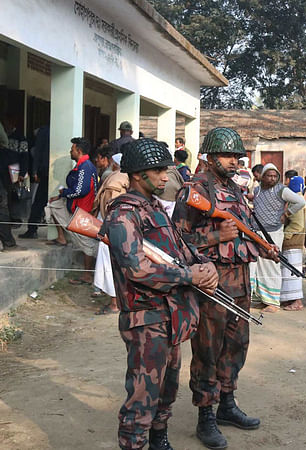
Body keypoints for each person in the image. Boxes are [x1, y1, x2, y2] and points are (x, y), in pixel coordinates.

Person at [102, 138, 217, 450]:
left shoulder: (155, 208)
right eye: (158, 171)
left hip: (171, 316)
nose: (166, 176)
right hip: (146, 318)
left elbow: (181, 248)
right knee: (142, 397)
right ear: (139, 174)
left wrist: (203, 265)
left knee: (166, 390)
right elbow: (136, 270)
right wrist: (187, 275)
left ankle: (159, 440)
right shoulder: (123, 215)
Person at [172, 128, 276, 449]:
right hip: (212, 283)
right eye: (229, 156)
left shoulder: (235, 189)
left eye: (237, 157)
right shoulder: (195, 190)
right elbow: (177, 242)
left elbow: (246, 231)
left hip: (241, 279)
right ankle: (206, 416)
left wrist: (264, 247)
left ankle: (227, 405)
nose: (235, 162)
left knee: (236, 343)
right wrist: (216, 238)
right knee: (208, 347)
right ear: (211, 156)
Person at [250, 163, 305, 311]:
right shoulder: (257, 190)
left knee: (271, 265)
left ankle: (273, 302)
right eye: (269, 175)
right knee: (257, 266)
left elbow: (300, 201)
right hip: (256, 232)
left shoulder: (282, 190)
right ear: (263, 176)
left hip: (273, 233)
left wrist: (287, 214)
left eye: (275, 176)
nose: (272, 178)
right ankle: (263, 298)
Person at [44, 137, 98, 281]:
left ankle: (87, 275)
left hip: (82, 210)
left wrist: (65, 193)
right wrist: (61, 197)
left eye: (72, 150)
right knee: (52, 205)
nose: (70, 152)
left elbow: (80, 191)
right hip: (77, 206)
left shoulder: (84, 167)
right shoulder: (84, 165)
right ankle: (61, 238)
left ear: (78, 151)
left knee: (87, 243)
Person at [91, 149, 128, 315]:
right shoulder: (129, 177)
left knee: (109, 266)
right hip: (126, 229)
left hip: (111, 228)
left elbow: (107, 205)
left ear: (115, 164)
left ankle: (114, 304)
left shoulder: (114, 179)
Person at [280, 176, 306, 311]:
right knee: (289, 272)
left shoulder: (296, 201)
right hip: (293, 242)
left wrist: (285, 236)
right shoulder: (298, 198)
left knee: (292, 273)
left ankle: (297, 301)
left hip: (293, 242)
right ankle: (290, 299)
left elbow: (297, 224)